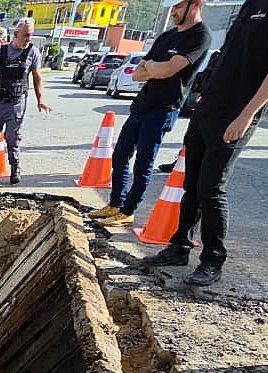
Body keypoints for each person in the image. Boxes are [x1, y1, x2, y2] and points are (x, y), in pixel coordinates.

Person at [143, 0, 268, 286]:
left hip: (237, 112)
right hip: (208, 107)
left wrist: (247, 114)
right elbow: (229, 56)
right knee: (192, 184)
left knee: (211, 189)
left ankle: (212, 260)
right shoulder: (251, 3)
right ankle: (179, 247)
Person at [90, 0, 211, 227]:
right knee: (120, 155)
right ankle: (116, 203)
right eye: (173, 7)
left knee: (144, 163)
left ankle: (128, 211)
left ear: (195, 4)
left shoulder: (200, 36)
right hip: (142, 105)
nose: (173, 12)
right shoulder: (167, 36)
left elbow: (168, 71)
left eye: (178, 7)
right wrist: (156, 69)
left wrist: (154, 68)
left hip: (163, 109)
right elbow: (137, 74)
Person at [0, 17, 52, 186]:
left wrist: (40, 100)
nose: (28, 38)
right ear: (16, 34)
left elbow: (37, 77)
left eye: (30, 35)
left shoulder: (32, 52)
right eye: (26, 35)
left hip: (17, 102)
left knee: (13, 137)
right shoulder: (1, 52)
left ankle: (15, 168)